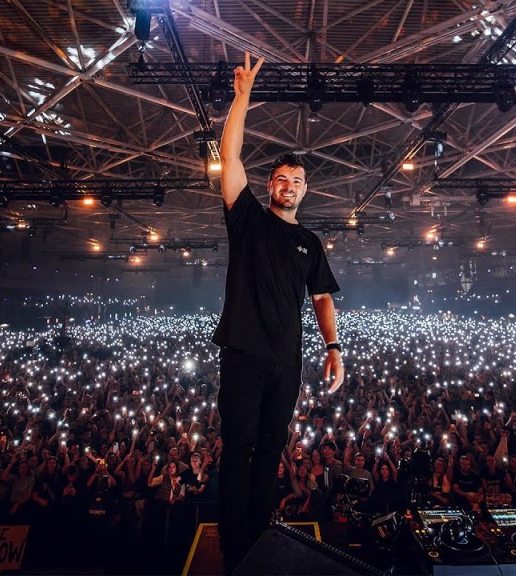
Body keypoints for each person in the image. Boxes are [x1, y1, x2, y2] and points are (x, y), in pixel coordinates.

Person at [212, 51, 345, 573]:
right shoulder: (245, 218)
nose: (288, 186)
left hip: (287, 361)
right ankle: (233, 542)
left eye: (297, 180)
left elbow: (322, 298)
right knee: (238, 447)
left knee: (272, 449)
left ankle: (258, 527)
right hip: (244, 354)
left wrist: (334, 349)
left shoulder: (310, 242)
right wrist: (241, 98)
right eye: (281, 178)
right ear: (270, 185)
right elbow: (230, 152)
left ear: (305, 189)